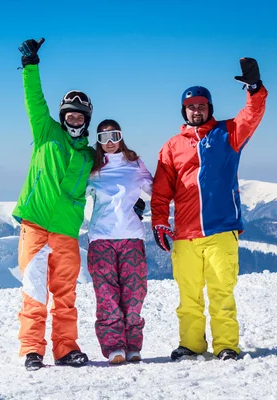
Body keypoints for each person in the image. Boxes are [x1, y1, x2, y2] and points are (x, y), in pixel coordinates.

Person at [151, 58, 268, 361]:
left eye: (202, 105)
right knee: (188, 297)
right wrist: (160, 223)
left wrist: (254, 89)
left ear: (209, 108)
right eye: (191, 106)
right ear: (184, 111)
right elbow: (161, 192)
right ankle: (191, 344)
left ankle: (226, 345)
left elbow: (252, 115)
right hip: (184, 235)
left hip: (221, 228)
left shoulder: (228, 133)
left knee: (221, 293)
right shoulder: (171, 146)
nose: (197, 110)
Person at [13, 37, 96, 371]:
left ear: (86, 120)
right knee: (35, 292)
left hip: (66, 232)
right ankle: (32, 350)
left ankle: (65, 349)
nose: (75, 120)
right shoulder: (46, 131)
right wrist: (31, 65)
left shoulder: (91, 155)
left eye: (80, 117)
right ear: (62, 117)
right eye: (70, 116)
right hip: (35, 225)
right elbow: (34, 100)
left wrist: (136, 202)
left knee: (65, 295)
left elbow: (115, 178)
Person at [86, 119, 154, 365]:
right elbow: (73, 196)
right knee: (107, 295)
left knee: (134, 293)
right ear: (98, 141)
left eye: (114, 135)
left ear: (121, 136)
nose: (110, 142)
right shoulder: (92, 168)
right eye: (104, 138)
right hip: (101, 238)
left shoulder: (134, 164)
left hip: (131, 237)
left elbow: (156, 190)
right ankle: (115, 346)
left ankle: (133, 345)